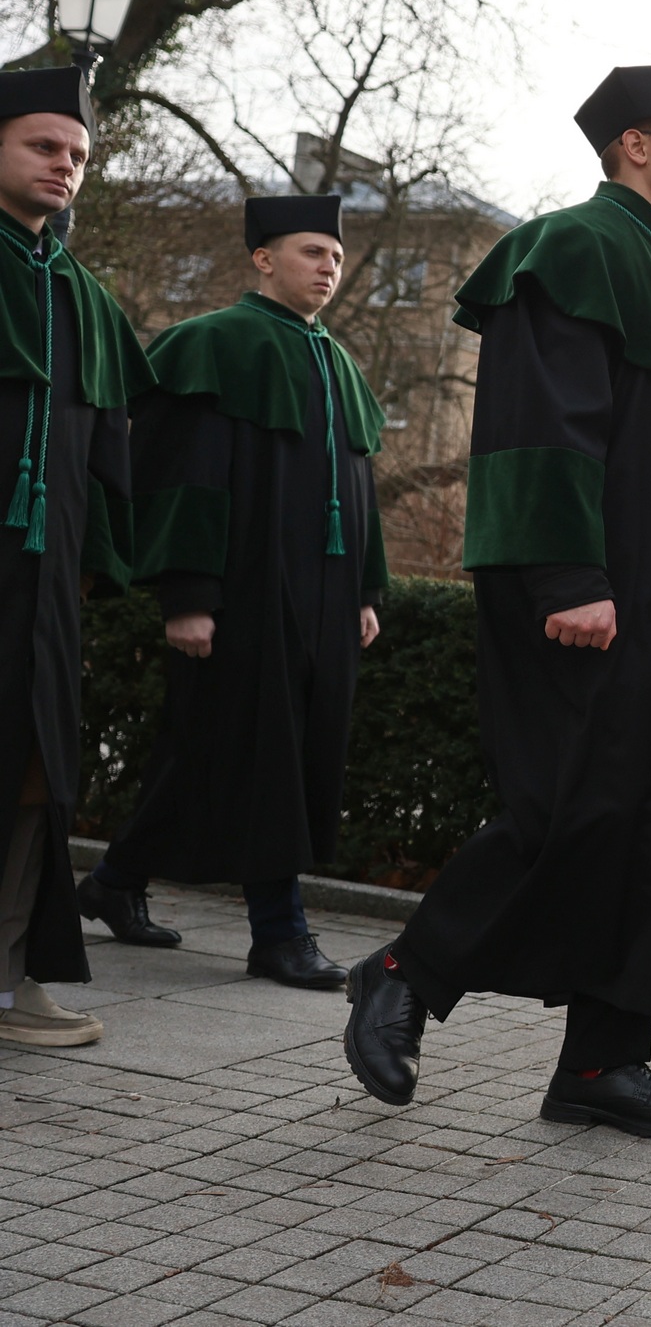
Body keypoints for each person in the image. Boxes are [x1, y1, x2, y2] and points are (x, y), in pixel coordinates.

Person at [341, 64, 651, 1143]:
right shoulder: (572, 246)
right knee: (570, 808)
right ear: (633, 145)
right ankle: (401, 971)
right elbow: (538, 423)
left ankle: (606, 1058)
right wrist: (572, 577)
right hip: (596, 591)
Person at [83, 193, 384, 989]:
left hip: (322, 600)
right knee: (260, 754)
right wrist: (187, 592)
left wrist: (365, 589)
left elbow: (360, 490)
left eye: (336, 256)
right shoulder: (214, 344)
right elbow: (185, 477)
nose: (329, 267)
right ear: (263, 259)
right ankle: (278, 932)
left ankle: (113, 881)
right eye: (312, 252)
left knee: (210, 750)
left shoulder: (339, 363)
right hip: (243, 591)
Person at [0, 68, 147, 1048]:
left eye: (79, 155)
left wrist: (95, 565)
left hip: (43, 584)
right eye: (44, 147)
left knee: (35, 774)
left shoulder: (84, 299)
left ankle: (9, 977)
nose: (65, 166)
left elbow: (108, 455)